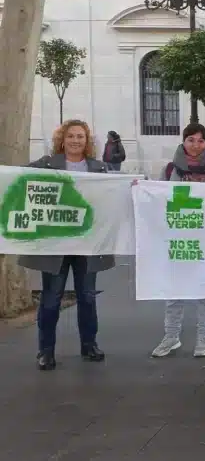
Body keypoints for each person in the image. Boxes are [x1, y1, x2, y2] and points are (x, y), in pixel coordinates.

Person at [21, 120, 113, 371]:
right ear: (62, 139)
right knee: (51, 299)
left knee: (87, 297)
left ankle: (89, 345)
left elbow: (114, 194)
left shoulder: (99, 168)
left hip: (87, 244)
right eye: (71, 136)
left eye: (80, 136)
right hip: (56, 245)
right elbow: (19, 179)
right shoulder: (46, 164)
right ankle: (46, 351)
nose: (75, 141)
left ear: (87, 141)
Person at [151, 123, 205, 359]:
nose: (195, 145)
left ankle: (203, 338)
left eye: (200, 141)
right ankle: (171, 336)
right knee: (174, 291)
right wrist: (142, 191)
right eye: (190, 140)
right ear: (183, 142)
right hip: (179, 239)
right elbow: (157, 199)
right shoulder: (169, 171)